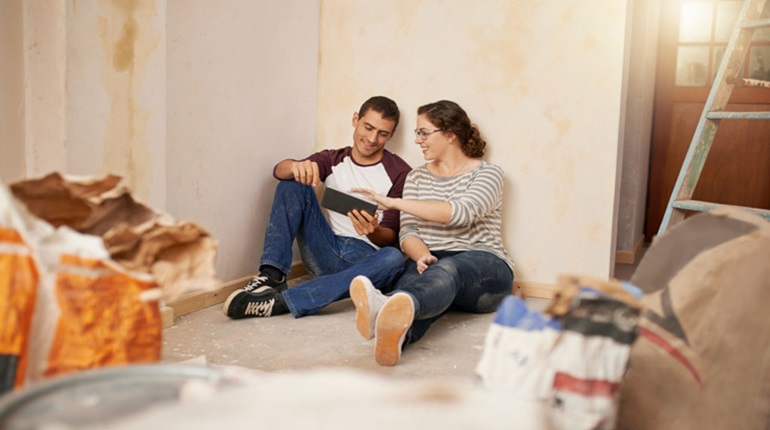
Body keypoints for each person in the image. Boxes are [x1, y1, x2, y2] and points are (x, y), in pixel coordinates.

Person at [349, 100, 514, 366]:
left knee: (449, 269)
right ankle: (393, 337)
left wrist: (393, 202)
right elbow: (408, 232)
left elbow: (460, 212)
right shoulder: (416, 178)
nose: (418, 140)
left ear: (450, 134)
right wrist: (422, 254)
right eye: (417, 133)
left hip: (484, 266)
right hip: (433, 262)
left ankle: (381, 307)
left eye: (424, 133)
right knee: (407, 290)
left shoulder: (488, 173)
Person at [223, 96, 411, 319]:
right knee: (292, 182)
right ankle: (272, 276)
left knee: (394, 258)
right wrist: (295, 166)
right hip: (326, 248)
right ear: (355, 120)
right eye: (368, 127)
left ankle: (280, 303)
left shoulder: (400, 172)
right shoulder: (333, 159)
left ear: (391, 135)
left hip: (365, 260)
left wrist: (374, 231)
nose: (372, 138)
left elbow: (390, 237)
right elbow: (279, 170)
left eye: (382, 133)